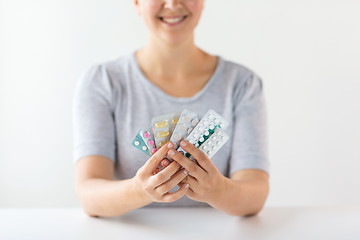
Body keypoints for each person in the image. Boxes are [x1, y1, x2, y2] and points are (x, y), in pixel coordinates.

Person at [73, 0, 269, 217]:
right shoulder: (102, 82)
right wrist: (139, 191)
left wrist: (217, 190)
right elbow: (88, 193)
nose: (172, 3)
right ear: (137, 3)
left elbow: (256, 194)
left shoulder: (242, 84)